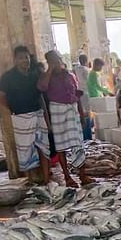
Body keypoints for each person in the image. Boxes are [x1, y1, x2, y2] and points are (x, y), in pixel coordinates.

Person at [37, 50, 89, 187]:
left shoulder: (69, 75)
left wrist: (81, 113)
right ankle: (67, 177)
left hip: (72, 110)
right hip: (57, 110)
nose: (56, 63)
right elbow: (42, 87)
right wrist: (50, 70)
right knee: (61, 146)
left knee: (78, 143)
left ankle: (83, 175)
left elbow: (76, 94)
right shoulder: (46, 76)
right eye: (52, 61)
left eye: (57, 59)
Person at [0, 46, 49, 181]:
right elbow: (0, 97)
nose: (25, 60)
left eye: (26, 57)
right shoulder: (8, 77)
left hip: (37, 113)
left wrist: (45, 117)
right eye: (21, 58)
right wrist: (12, 110)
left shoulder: (34, 74)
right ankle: (29, 181)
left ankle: (46, 178)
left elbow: (40, 97)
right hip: (20, 116)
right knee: (25, 151)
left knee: (43, 148)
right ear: (15, 60)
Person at [72, 54, 92, 140]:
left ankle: (84, 135)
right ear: (86, 60)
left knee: (82, 114)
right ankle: (88, 135)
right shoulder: (86, 70)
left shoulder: (75, 69)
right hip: (86, 93)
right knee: (87, 114)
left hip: (79, 92)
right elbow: (89, 83)